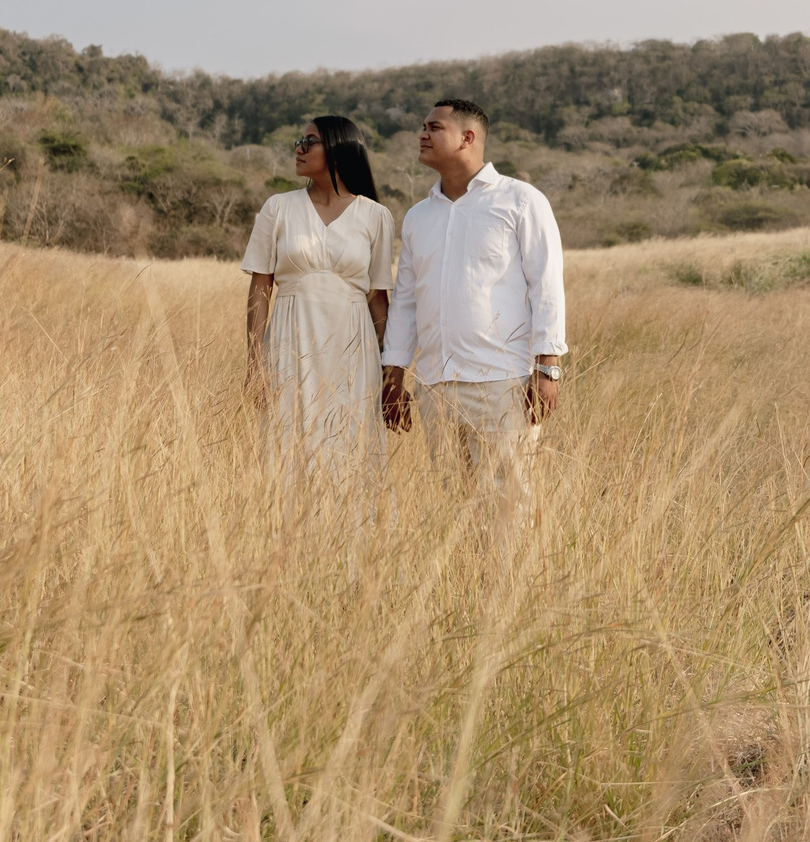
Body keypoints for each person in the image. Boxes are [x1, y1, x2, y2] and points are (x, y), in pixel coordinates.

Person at [380, 99, 566, 537]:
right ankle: (464, 599)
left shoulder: (521, 200)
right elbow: (406, 301)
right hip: (435, 385)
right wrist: (394, 376)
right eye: (422, 126)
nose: (422, 134)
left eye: (434, 127)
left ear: (468, 138)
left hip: (503, 382)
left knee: (509, 507)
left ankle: (510, 603)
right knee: (452, 508)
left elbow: (547, 286)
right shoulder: (418, 216)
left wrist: (548, 367)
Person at [240, 115, 396, 488]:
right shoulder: (278, 207)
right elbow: (261, 290)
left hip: (354, 352)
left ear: (340, 150)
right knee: (285, 445)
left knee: (351, 449)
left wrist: (392, 371)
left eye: (310, 141)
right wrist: (254, 363)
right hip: (290, 344)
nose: (299, 148)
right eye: (299, 140)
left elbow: (378, 300)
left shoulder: (376, 216)